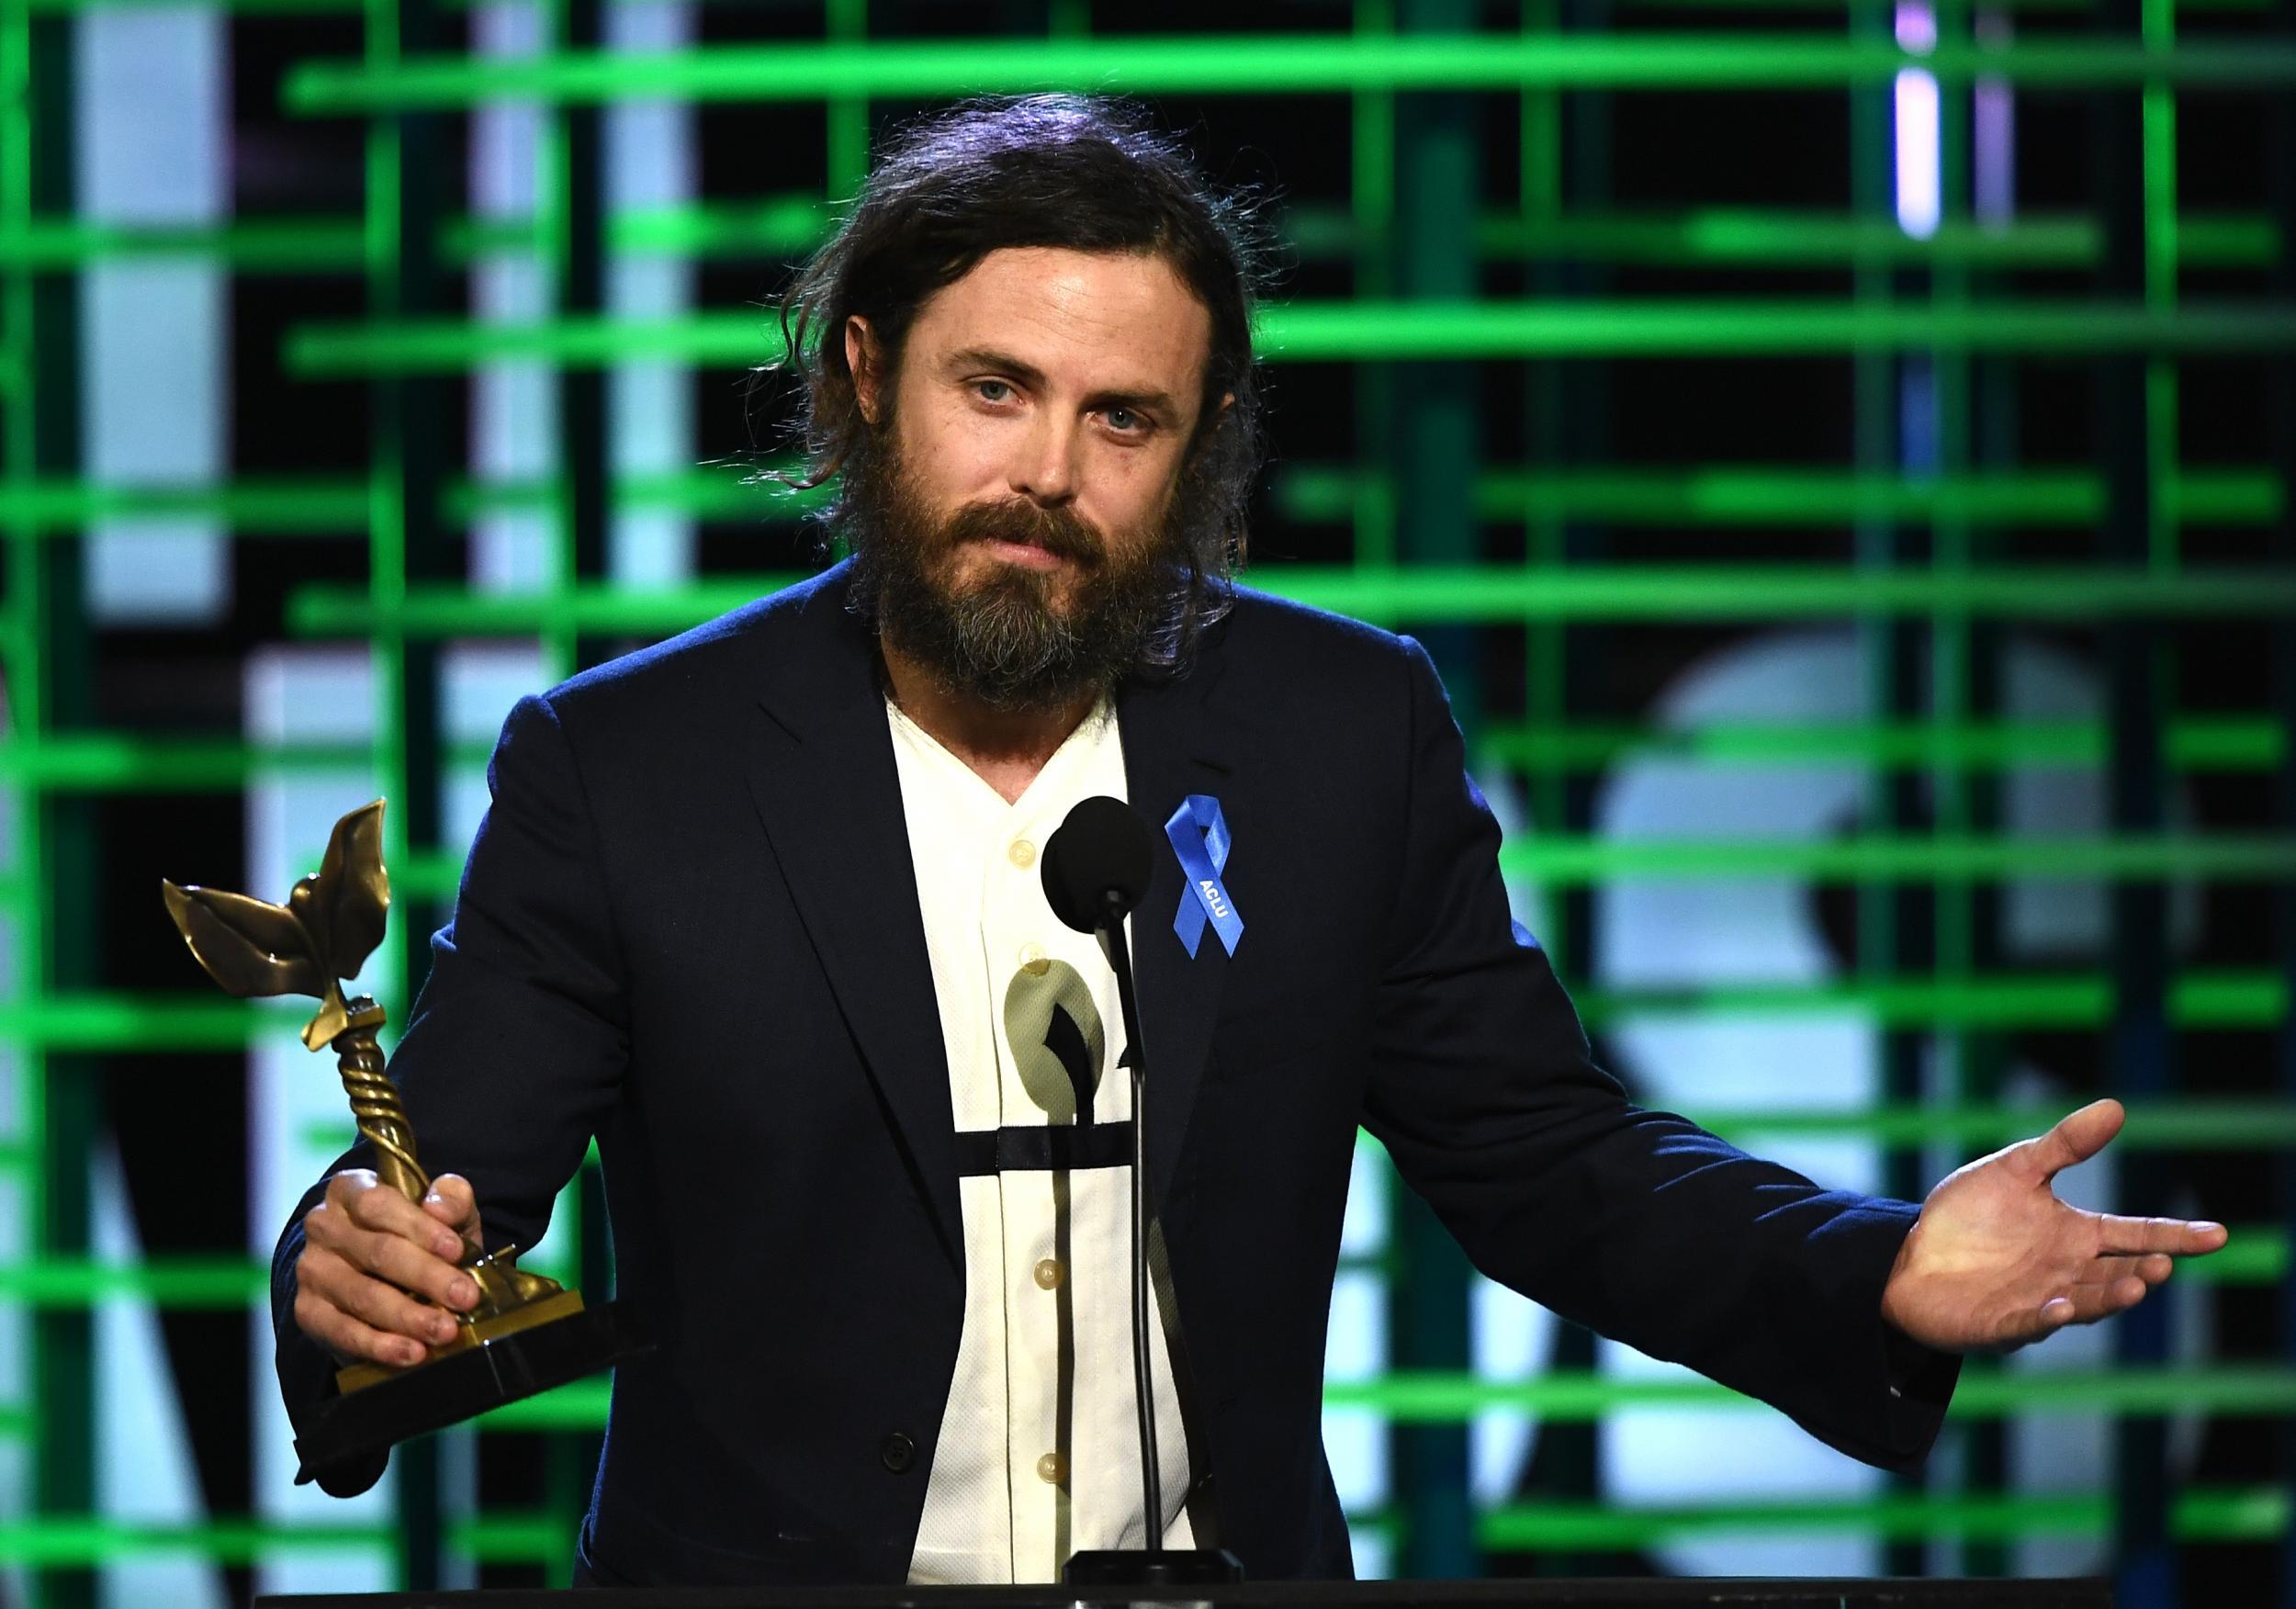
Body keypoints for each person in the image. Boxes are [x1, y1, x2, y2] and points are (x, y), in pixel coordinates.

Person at [270, 95, 2228, 1588]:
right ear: (863, 382)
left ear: (1192, 455)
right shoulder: (634, 764)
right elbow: (439, 1190)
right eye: (993, 392)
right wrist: (351, 1281)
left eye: (1123, 421)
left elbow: (1541, 1156)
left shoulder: (1333, 732)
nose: (1045, 473)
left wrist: (1871, 1270)